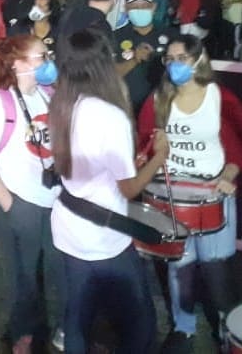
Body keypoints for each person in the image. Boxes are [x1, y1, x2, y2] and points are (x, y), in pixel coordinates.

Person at [49, 28, 169, 354]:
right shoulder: (110, 116)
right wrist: (159, 157)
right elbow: (129, 189)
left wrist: (130, 162)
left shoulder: (60, 103)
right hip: (103, 236)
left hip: (68, 226)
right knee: (140, 325)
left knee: (77, 319)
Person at [138, 34, 242, 352]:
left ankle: (229, 331)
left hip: (213, 193)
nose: (174, 65)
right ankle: (183, 327)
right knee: (179, 267)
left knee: (216, 269)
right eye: (169, 59)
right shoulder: (159, 99)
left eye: (181, 58)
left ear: (198, 60)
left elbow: (237, 147)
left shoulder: (220, 98)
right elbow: (145, 143)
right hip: (173, 197)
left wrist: (228, 176)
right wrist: (149, 156)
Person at [0, 34, 63, 354]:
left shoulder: (48, 95)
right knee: (22, 274)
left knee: (52, 267)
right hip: (18, 200)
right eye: (41, 56)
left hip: (51, 198)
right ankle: (21, 332)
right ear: (17, 64)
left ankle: (48, 325)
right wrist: (9, 204)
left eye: (48, 55)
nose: (48, 62)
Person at [115, 0, 173, 116]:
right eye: (134, 7)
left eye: (145, 6)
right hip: (127, 107)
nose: (140, 10)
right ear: (126, 9)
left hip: (162, 107)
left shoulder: (170, 35)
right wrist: (135, 59)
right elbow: (111, 74)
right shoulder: (116, 36)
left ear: (153, 7)